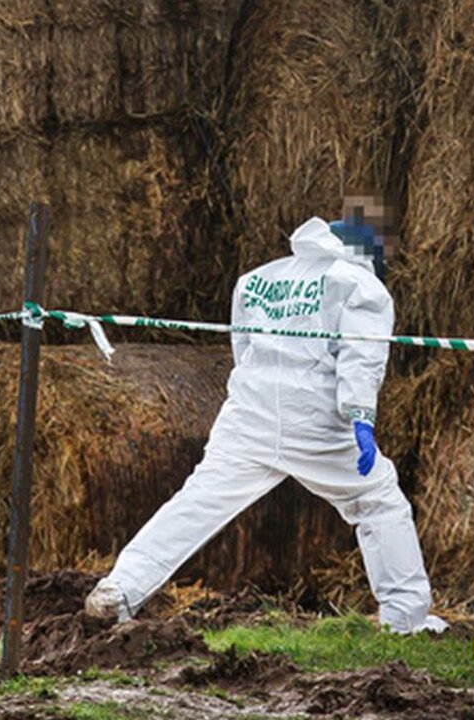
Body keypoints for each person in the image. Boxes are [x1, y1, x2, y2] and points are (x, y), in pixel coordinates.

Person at [86, 198, 447, 635]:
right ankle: (406, 620)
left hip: (248, 415)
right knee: (378, 501)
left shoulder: (257, 279)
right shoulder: (357, 282)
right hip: (317, 420)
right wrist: (361, 416)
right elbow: (361, 355)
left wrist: (256, 398)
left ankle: (118, 590)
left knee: (197, 503)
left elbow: (244, 350)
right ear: (362, 252)